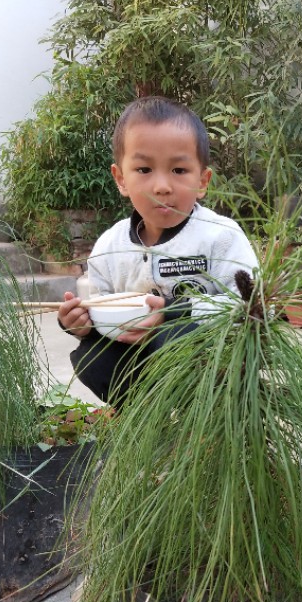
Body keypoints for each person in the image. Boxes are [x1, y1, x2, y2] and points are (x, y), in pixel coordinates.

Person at [58, 96, 258, 404]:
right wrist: (82, 325)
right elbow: (103, 310)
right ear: (121, 179)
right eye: (144, 169)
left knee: (169, 340)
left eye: (179, 170)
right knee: (92, 357)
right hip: (138, 361)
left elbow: (255, 307)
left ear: (202, 180)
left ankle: (201, 425)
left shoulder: (220, 237)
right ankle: (141, 423)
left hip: (210, 369)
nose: (162, 186)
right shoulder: (110, 247)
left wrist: (175, 311)